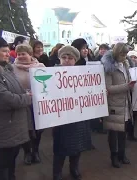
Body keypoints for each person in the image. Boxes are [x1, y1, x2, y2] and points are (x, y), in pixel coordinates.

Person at [52, 46, 92, 180]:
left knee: (77, 144)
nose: (67, 60)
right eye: (64, 57)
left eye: (70, 58)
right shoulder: (52, 74)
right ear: (59, 59)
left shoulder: (83, 74)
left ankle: (74, 168)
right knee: (60, 146)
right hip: (61, 117)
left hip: (78, 115)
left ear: (75, 60)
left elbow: (89, 92)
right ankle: (57, 171)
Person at [0, 37, 32, 180]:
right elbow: (4, 99)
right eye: (4, 51)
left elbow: (16, 91)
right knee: (2, 168)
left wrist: (24, 94)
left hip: (12, 129)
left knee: (10, 165)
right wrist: (27, 97)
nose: (8, 54)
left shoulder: (6, 69)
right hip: (2, 130)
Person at [102, 43, 134, 168]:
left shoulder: (125, 64)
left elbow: (128, 80)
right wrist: (127, 86)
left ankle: (122, 154)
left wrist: (131, 85)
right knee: (114, 132)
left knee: (123, 131)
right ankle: (114, 156)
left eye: (126, 54)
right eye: (122, 54)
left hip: (125, 102)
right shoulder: (109, 68)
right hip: (114, 103)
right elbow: (108, 88)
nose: (124, 57)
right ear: (116, 53)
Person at [12, 44, 45, 165]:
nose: (20, 56)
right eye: (18, 54)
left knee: (38, 130)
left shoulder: (40, 66)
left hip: (37, 104)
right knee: (24, 129)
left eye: (23, 54)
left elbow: (47, 82)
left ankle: (35, 150)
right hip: (22, 104)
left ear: (30, 54)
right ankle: (27, 152)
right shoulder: (12, 68)